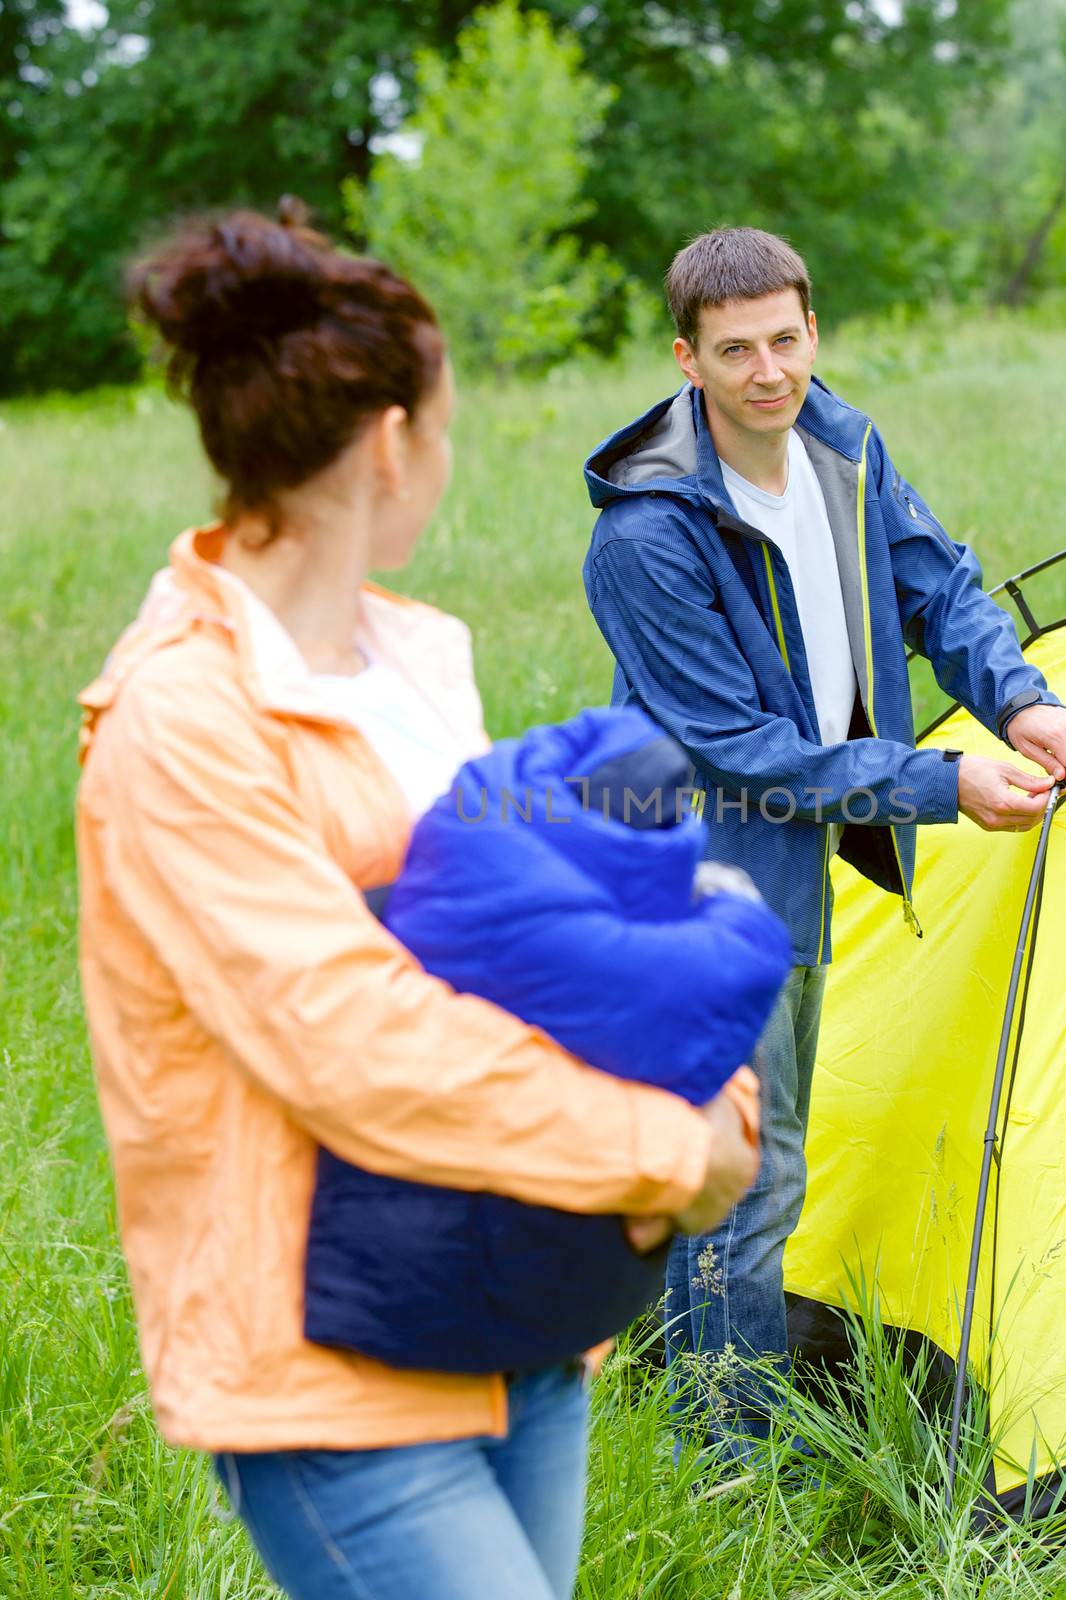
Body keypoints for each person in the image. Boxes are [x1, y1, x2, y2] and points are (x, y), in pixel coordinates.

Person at [75, 203, 758, 1600]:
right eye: (443, 427)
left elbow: (538, 941)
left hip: (515, 1297)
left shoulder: (412, 659)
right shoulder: (180, 721)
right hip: (329, 1361)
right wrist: (663, 1149)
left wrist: (713, 1084)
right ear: (393, 440)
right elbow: (348, 1034)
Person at [581, 226, 1066, 1447]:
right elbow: (742, 748)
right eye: (736, 349)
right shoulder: (646, 535)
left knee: (750, 1163)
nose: (769, 370)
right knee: (745, 1179)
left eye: (786, 338)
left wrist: (1018, 695)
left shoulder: (839, 446)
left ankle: (675, 1400)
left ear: (814, 329)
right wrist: (940, 779)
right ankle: (730, 1461)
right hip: (697, 876)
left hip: (787, 867)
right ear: (685, 360)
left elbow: (938, 585)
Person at [305, 704, 792, 1375]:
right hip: (546, 1290)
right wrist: (722, 897)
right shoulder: (660, 957)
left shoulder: (462, 840)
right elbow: (751, 952)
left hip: (376, 1272)